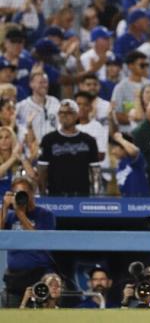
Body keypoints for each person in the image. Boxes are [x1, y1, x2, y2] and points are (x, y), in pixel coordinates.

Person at [1, 177, 56, 308]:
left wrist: (20, 213)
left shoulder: (45, 215)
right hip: (14, 279)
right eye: (17, 193)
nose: (21, 196)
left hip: (38, 277)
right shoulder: (10, 216)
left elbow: (38, 240)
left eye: (24, 193)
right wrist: (4, 207)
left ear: (32, 193)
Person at [37, 100, 101, 196]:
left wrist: (96, 196)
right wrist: (43, 196)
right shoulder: (48, 140)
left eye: (68, 113)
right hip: (56, 195)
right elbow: (42, 170)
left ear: (76, 115)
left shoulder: (89, 140)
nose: (64, 115)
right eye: (61, 113)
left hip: (81, 195)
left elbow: (95, 171)